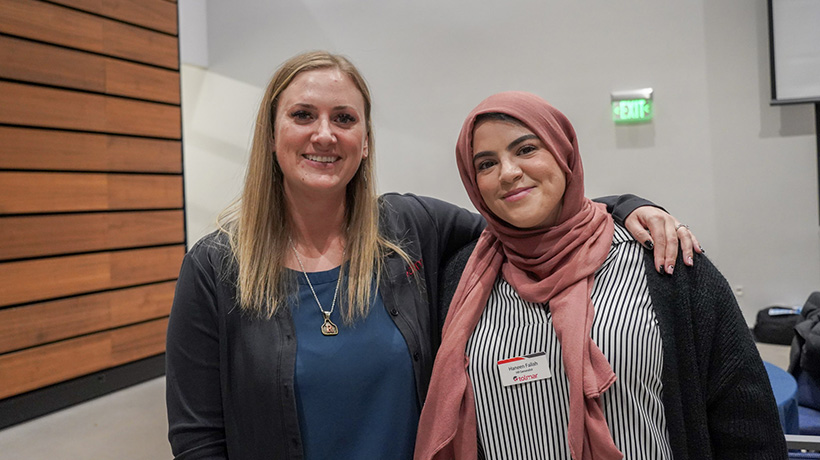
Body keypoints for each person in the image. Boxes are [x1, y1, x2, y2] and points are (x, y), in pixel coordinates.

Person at [165, 51, 699, 459]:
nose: (324, 134)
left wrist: (627, 205)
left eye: (344, 119)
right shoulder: (216, 267)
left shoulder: (410, 228)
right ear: (272, 133)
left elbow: (525, 216)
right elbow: (197, 437)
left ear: (366, 140)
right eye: (303, 115)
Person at [414, 91, 787, 460]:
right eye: (486, 164)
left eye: (526, 150)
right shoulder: (462, 280)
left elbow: (745, 422)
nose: (509, 173)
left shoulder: (660, 257)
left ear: (564, 153)